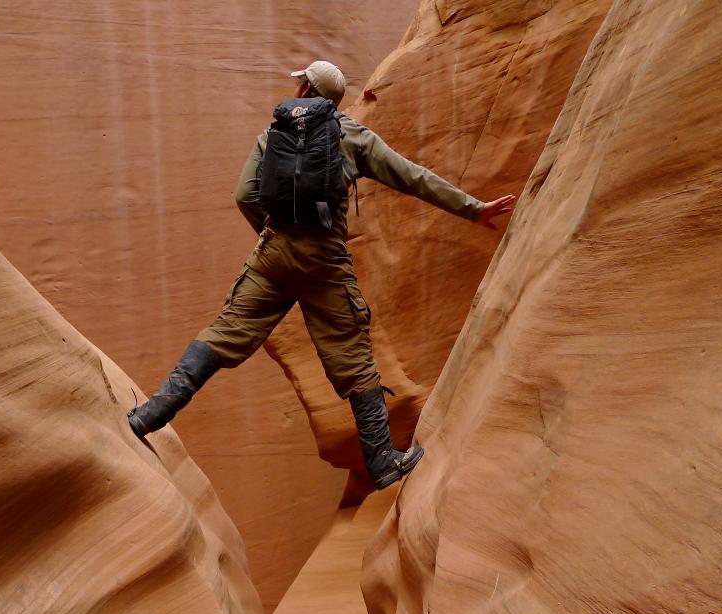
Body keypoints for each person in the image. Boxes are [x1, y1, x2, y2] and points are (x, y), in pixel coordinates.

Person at [128, 60, 516, 489]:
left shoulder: (273, 133)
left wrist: (270, 233)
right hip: (324, 262)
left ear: (305, 88)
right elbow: (412, 178)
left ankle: (151, 414)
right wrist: (473, 209)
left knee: (225, 333)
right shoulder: (351, 135)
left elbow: (244, 194)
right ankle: (383, 460)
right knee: (353, 354)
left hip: (273, 255)